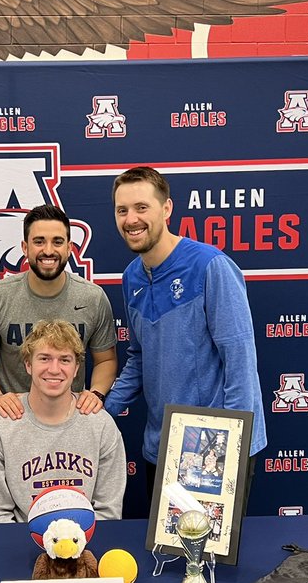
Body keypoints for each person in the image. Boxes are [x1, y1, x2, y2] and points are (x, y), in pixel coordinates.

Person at [104, 166, 267, 496]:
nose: (131, 219)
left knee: (206, 549)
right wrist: (100, 410)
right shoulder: (131, 277)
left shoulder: (210, 266)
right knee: (165, 548)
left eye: (141, 207)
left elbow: (240, 362)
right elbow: (139, 358)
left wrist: (228, 447)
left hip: (214, 448)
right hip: (163, 444)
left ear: (166, 209)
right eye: (122, 210)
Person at [0, 204, 117, 419]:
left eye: (57, 242)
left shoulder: (92, 297)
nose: (48, 250)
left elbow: (106, 360)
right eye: (39, 241)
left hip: (72, 416)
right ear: (25, 247)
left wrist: (96, 393)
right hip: (14, 417)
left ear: (69, 247)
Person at [0, 319, 126, 523]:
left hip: (85, 543)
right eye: (44, 358)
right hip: (21, 540)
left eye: (64, 360)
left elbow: (108, 513)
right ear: (28, 364)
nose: (54, 369)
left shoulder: (101, 425)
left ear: (76, 368)